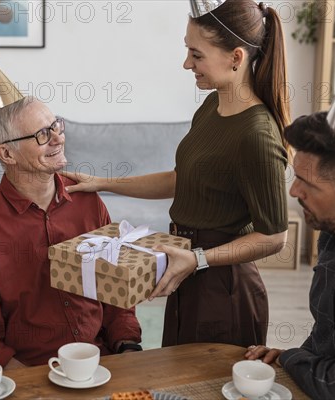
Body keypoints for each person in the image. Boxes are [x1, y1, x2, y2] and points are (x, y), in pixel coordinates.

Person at [64, 0, 290, 348]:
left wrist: (199, 259)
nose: (186, 64)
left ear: (236, 57)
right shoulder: (213, 105)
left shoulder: (256, 134)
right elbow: (181, 178)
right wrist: (103, 183)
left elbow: (274, 237)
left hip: (223, 287)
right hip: (187, 266)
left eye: (196, 54)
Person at [0, 55, 141, 369]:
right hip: (30, 372)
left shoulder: (88, 200)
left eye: (56, 126)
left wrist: (128, 349)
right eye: (43, 135)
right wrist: (32, 386)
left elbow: (117, 296)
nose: (58, 138)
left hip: (101, 361)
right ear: (6, 153)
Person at [245, 63, 335, 399]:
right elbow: (326, 337)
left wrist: (292, 358)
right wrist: (299, 358)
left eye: (307, 183)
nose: (294, 191)